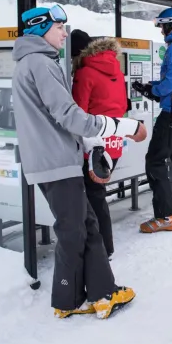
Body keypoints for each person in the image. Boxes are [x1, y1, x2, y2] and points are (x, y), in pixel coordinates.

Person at [11, 4, 145, 319]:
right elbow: (71, 117)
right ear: (41, 28)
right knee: (76, 230)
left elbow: (56, 119)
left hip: (53, 159)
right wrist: (125, 127)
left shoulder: (31, 63)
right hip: (56, 161)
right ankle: (88, 296)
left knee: (84, 227)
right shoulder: (40, 64)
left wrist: (92, 144)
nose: (65, 33)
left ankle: (81, 296)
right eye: (59, 27)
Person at [132, 7, 172, 233]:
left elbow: (171, 82)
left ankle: (165, 216)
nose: (160, 30)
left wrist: (155, 90)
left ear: (170, 24)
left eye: (161, 25)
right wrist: (154, 88)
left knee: (155, 161)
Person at [71, 30, 129, 260]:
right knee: (98, 193)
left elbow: (77, 112)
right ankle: (104, 246)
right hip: (113, 141)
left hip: (93, 144)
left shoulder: (85, 73)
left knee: (92, 195)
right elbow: (123, 104)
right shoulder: (115, 69)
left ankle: (102, 247)